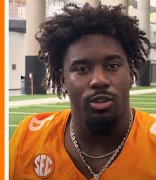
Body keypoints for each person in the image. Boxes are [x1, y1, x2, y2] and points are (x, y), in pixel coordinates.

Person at [9, 3, 156, 180]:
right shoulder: (28, 138)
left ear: (131, 74)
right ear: (63, 80)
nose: (99, 80)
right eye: (81, 69)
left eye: (113, 66)